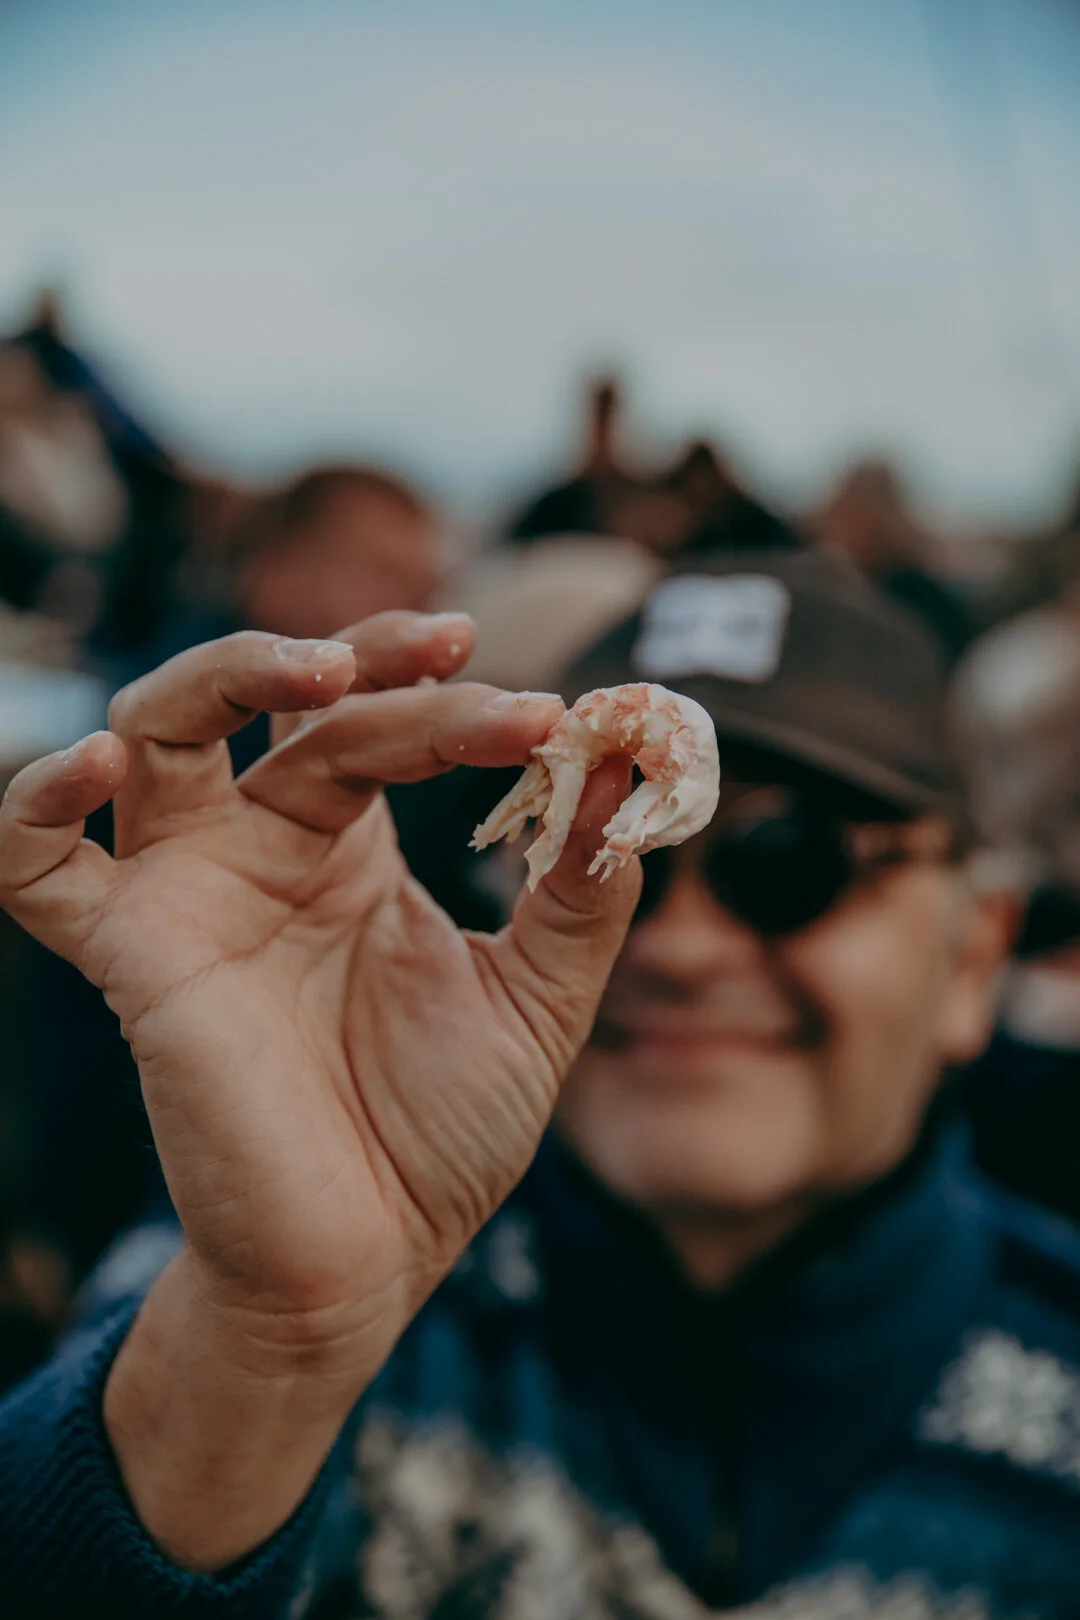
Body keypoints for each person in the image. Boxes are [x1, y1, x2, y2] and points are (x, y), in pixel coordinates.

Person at [2, 550, 1080, 1617]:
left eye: (787, 862)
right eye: (597, 842)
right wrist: (269, 1350)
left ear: (975, 954)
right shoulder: (233, 1280)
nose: (682, 949)